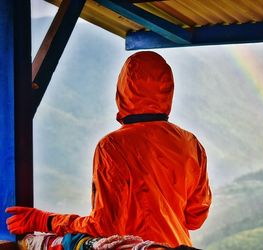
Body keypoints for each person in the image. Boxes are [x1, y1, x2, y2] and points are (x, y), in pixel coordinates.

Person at [6, 51, 212, 247]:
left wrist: (44, 221)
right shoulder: (190, 143)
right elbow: (195, 218)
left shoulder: (112, 146)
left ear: (123, 89)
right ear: (168, 91)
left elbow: (104, 227)